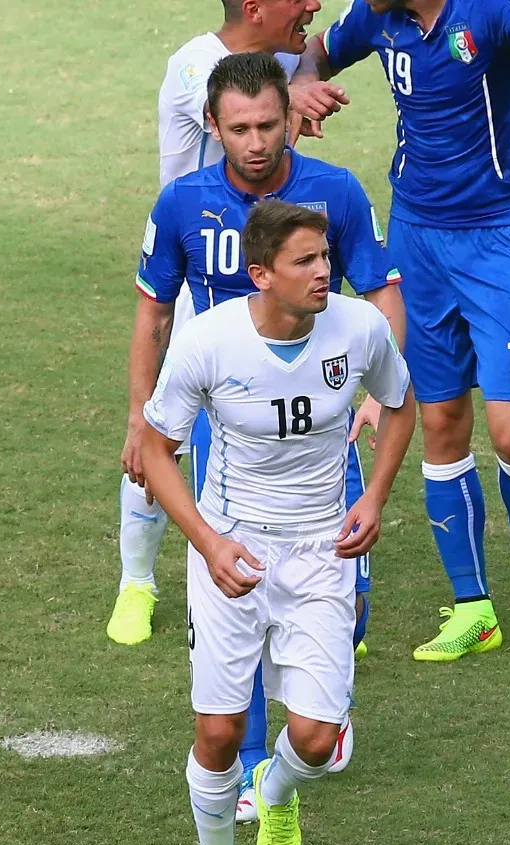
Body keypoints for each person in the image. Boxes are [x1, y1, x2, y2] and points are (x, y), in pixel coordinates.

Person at [128, 52, 406, 815]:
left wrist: (380, 397)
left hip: (323, 418)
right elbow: (154, 316)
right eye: (239, 128)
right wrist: (137, 416)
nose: (255, 142)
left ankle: (311, 701)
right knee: (236, 579)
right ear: (212, 128)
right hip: (228, 414)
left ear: (292, 118)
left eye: (269, 125)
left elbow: (380, 292)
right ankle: (253, 769)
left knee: (352, 591)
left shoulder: (335, 192)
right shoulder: (182, 202)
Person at [136, 199, 414, 845]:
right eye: (305, 262)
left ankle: (280, 790)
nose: (324, 272)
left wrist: (376, 497)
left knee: (319, 740)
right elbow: (153, 452)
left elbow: (400, 405)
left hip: (323, 550)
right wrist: (206, 541)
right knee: (220, 732)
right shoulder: (207, 342)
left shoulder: (359, 329)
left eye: (325, 258)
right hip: (233, 547)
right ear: (261, 274)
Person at [292, 0, 510, 661]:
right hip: (418, 238)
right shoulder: (377, 16)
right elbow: (319, 48)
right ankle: (473, 607)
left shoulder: (481, 13)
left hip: (502, 239)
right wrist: (301, 81)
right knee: (442, 419)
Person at [111, 0, 347, 646]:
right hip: (198, 285)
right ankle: (137, 582)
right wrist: (297, 96)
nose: (311, 5)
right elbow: (247, 131)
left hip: (270, 287)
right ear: (255, 8)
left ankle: (291, 581)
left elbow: (321, 56)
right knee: (161, 437)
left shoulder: (273, 63)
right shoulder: (197, 68)